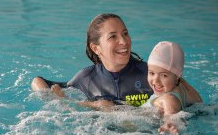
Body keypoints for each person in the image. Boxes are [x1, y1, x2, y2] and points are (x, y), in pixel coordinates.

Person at [31, 13, 199, 109]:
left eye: (125, 33)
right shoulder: (86, 79)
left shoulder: (152, 74)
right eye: (113, 37)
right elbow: (38, 81)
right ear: (96, 48)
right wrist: (55, 100)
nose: (124, 41)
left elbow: (196, 103)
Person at [141, 41, 202, 135]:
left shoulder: (168, 99)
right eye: (151, 73)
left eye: (164, 75)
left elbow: (171, 112)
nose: (156, 81)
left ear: (177, 76)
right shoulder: (183, 85)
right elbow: (199, 102)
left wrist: (169, 124)